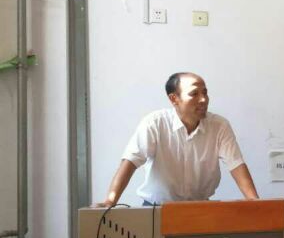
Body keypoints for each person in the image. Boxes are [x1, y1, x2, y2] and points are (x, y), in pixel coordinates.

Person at [98, 72, 259, 206]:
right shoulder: (155, 123)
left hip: (200, 208)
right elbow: (131, 161)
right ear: (174, 99)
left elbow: (236, 164)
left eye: (205, 92)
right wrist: (110, 201)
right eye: (194, 94)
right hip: (156, 209)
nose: (203, 99)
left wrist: (256, 203)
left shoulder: (219, 126)